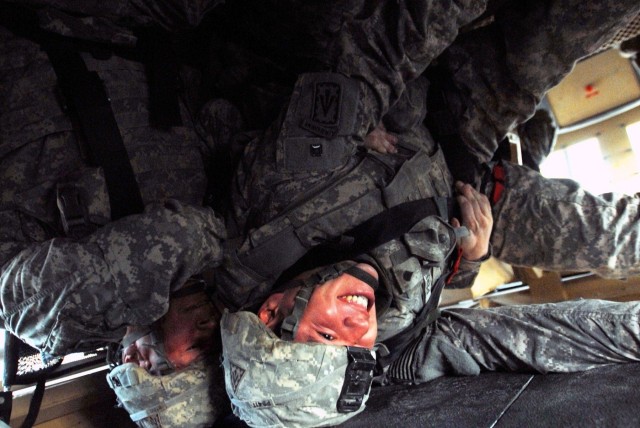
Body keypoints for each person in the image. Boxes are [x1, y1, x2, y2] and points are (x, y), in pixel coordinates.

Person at [0, 1, 229, 426]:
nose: (212, 328)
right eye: (222, 343)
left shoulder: (55, 320)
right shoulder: (221, 274)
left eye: (200, 350)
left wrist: (214, 246)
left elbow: (179, 235)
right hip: (134, 21)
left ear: (139, 359)